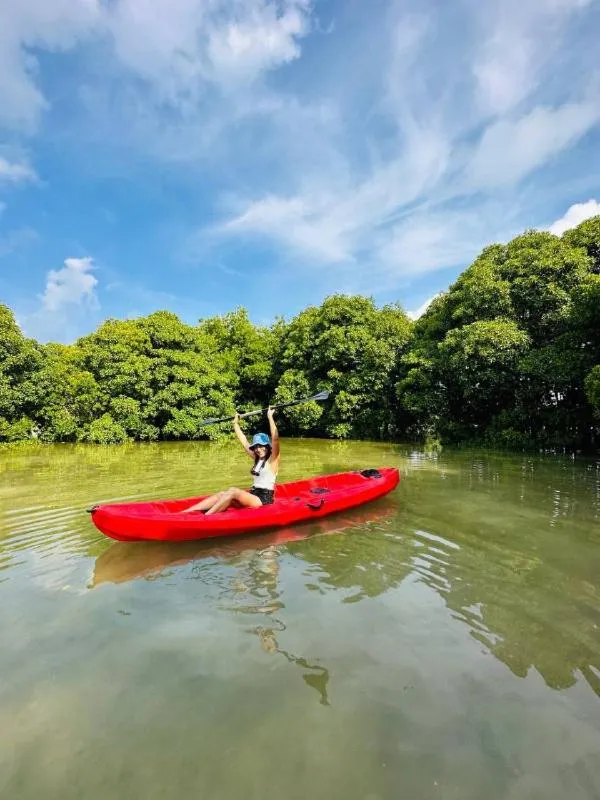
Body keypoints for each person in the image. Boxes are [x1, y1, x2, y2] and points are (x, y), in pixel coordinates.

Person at [185, 406, 280, 515]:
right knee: (222, 494)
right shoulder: (257, 458)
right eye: (256, 446)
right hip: (253, 495)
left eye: (262, 446)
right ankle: (186, 512)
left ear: (268, 446)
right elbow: (244, 441)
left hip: (264, 499)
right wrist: (235, 424)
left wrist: (270, 417)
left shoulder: (273, 461)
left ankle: (205, 518)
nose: (258, 449)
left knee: (233, 491)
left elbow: (275, 439)